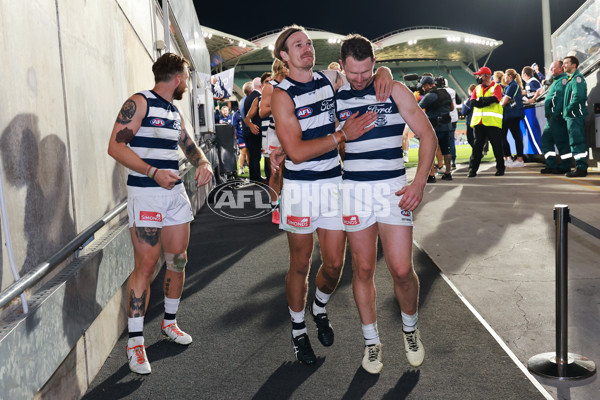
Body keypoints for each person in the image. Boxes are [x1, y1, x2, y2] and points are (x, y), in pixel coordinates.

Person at [269, 24, 392, 366]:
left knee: (336, 263)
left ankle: (318, 307)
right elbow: (294, 151)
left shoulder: (329, 78)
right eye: (298, 45)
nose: (306, 48)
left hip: (333, 185)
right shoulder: (281, 94)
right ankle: (298, 332)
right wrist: (341, 136)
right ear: (284, 56)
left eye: (308, 43)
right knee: (300, 264)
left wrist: (384, 70)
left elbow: (360, 72)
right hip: (300, 190)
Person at [107, 52, 214, 375]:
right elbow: (115, 146)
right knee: (146, 265)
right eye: (187, 78)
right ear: (179, 78)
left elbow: (188, 144)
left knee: (178, 259)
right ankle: (135, 343)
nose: (186, 84)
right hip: (146, 193)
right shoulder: (139, 102)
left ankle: (169, 323)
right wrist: (153, 171)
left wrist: (203, 163)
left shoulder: (173, 111)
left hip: (174, 196)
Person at [336, 34, 437, 374]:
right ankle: (371, 342)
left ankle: (410, 331)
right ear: (343, 66)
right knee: (362, 270)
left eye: (367, 72)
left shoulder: (392, 89)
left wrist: (418, 183)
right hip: (354, 191)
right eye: (354, 74)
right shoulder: (335, 95)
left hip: (392, 190)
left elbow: (428, 135)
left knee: (402, 270)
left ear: (375, 64)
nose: (361, 79)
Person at [258, 59, 289, 224]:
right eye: (287, 65)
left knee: (289, 170)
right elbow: (262, 111)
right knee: (276, 172)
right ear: (281, 67)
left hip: (289, 133)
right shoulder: (270, 86)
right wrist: (279, 105)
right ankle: (274, 207)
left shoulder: (292, 85)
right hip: (272, 133)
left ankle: (285, 204)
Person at [468, 66, 505, 177]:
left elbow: (495, 99)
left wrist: (481, 100)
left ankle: (500, 169)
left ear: (486, 76)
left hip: (492, 123)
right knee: (477, 148)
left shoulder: (497, 87)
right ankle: (472, 170)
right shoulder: (477, 88)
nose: (478, 77)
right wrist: (485, 101)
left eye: (480, 75)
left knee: (497, 147)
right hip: (479, 123)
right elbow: (473, 102)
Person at [418, 76, 454, 181]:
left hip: (434, 127)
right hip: (446, 126)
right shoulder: (445, 92)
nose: (423, 89)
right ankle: (448, 173)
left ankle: (431, 175)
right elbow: (452, 107)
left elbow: (417, 108)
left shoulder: (429, 96)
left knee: (430, 151)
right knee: (446, 151)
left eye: (423, 87)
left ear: (427, 85)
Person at [540, 60, 572, 175]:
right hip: (551, 119)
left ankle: (565, 166)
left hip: (556, 118)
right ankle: (551, 165)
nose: (551, 70)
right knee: (546, 140)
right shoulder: (556, 81)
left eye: (553, 68)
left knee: (562, 142)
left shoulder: (562, 81)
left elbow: (560, 99)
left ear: (560, 68)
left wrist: (556, 114)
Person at [563, 55, 589, 177]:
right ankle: (580, 167)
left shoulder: (577, 78)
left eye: (566, 63)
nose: (564, 65)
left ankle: (581, 168)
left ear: (574, 65)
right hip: (572, 115)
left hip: (575, 115)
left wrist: (568, 110)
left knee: (577, 141)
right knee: (575, 141)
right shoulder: (571, 79)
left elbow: (578, 97)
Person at [500, 69, 525, 168]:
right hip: (507, 115)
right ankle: (509, 158)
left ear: (510, 76)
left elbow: (504, 101)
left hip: (512, 114)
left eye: (505, 76)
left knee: (516, 137)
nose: (504, 78)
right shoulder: (509, 86)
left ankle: (520, 159)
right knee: (503, 136)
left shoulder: (513, 86)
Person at [242, 77, 264, 182]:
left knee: (253, 155)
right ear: (261, 85)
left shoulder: (248, 98)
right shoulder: (258, 98)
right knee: (255, 156)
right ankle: (256, 178)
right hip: (255, 131)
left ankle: (255, 177)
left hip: (249, 131)